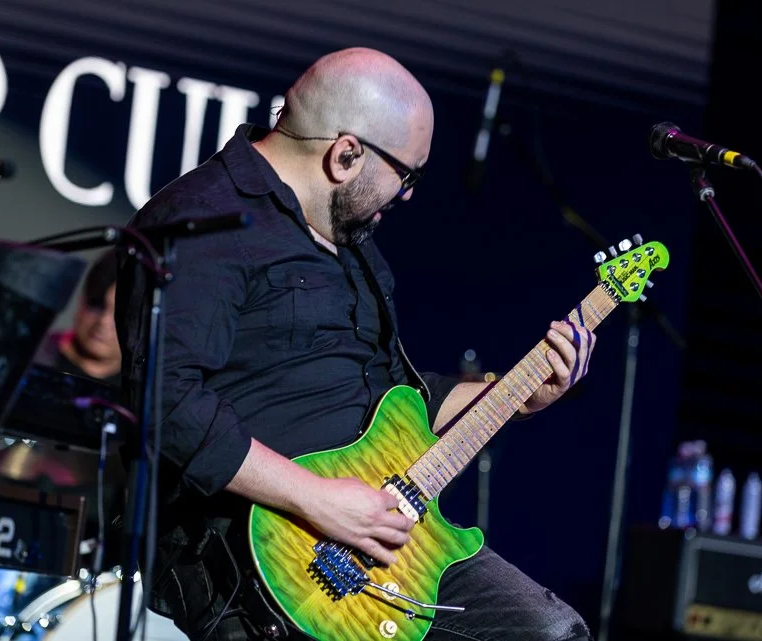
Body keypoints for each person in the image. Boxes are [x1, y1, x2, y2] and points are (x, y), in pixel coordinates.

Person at [115, 48, 595, 641]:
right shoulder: (202, 220)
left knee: (552, 632)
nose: (408, 195)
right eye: (408, 175)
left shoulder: (352, 241)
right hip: (261, 553)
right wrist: (317, 500)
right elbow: (165, 400)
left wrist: (517, 393)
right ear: (346, 155)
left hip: (377, 535)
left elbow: (402, 401)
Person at [34, 248, 122, 384]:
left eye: (120, 315)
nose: (103, 321)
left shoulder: (144, 390)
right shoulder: (32, 356)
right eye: (97, 304)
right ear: (82, 299)